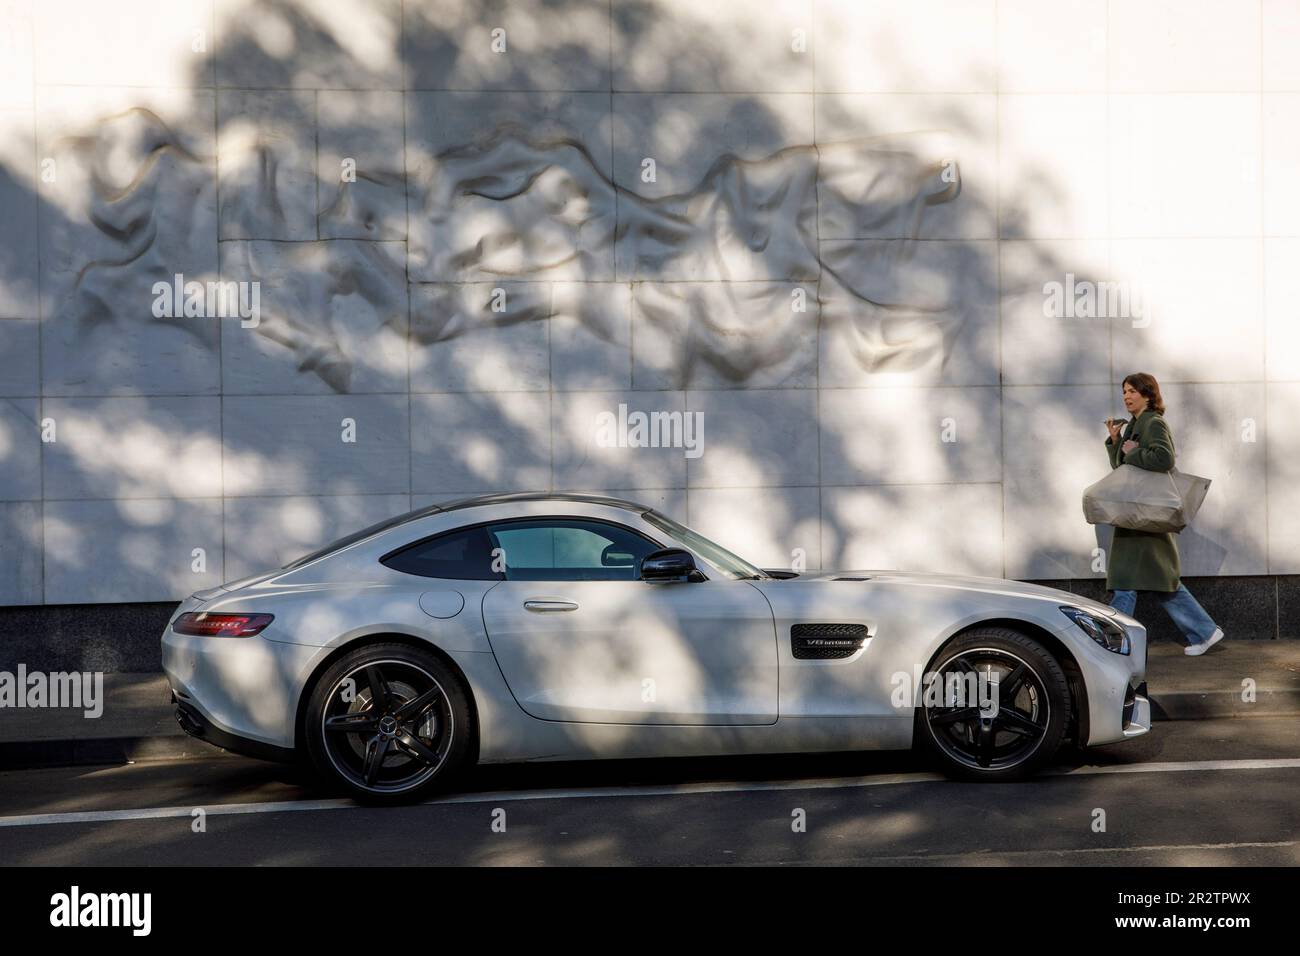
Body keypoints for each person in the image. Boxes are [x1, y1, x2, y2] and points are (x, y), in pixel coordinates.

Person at [1103, 373, 1224, 656]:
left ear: (1148, 394)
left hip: (1146, 518)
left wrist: (1131, 450)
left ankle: (1112, 645)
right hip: (1138, 517)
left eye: (1132, 391)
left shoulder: (1153, 422)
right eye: (1124, 392)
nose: (1126, 396)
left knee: (1134, 582)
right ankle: (1205, 631)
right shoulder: (1135, 426)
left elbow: (1164, 458)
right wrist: (1115, 441)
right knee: (1151, 582)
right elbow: (1122, 468)